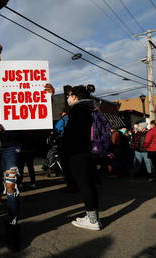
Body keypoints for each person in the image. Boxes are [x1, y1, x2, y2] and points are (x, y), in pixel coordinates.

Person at [0, 44, 54, 251]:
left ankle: (13, 230)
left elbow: (34, 108)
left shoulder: (15, 88)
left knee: (12, 189)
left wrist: (46, 96)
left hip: (11, 147)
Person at [63, 85, 102, 231]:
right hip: (88, 151)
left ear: (74, 96)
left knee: (85, 185)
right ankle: (92, 216)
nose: (67, 98)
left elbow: (73, 134)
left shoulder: (78, 110)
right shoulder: (89, 108)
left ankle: (92, 221)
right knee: (89, 184)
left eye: (68, 95)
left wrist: (65, 148)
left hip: (78, 152)